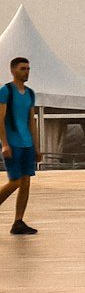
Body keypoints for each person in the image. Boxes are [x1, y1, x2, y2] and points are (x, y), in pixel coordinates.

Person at [0, 57, 36, 235]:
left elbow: (31, 120)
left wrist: (36, 146)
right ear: (13, 70)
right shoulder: (6, 91)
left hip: (27, 143)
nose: (26, 71)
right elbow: (0, 118)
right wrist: (5, 143)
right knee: (15, 182)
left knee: (26, 182)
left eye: (28, 68)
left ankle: (18, 221)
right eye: (23, 68)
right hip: (13, 143)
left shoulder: (30, 93)